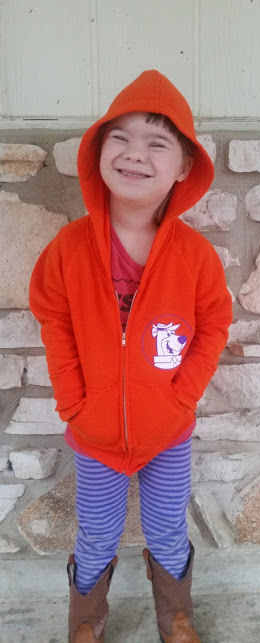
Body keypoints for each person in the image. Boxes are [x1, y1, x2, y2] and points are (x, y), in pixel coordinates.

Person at [29, 69, 233, 642]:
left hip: (169, 428)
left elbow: (215, 322)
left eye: (156, 142)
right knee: (96, 531)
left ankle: (176, 617)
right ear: (98, 150)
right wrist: (75, 402)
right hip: (94, 432)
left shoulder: (194, 256)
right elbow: (54, 318)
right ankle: (87, 621)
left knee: (168, 526)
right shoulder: (67, 251)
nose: (134, 153)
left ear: (184, 167)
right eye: (119, 136)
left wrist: (182, 395)